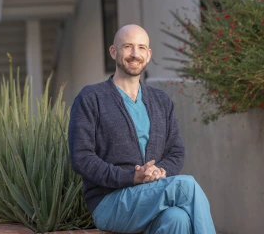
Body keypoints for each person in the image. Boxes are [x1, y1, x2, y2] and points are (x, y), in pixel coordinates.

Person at [68, 24, 216, 234]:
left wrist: (160, 172)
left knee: (177, 219)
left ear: (148, 54)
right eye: (128, 46)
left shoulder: (161, 101)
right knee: (186, 186)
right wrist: (132, 177)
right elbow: (81, 158)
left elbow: (175, 151)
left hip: (152, 196)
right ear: (113, 51)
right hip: (110, 202)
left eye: (141, 48)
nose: (135, 54)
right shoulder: (91, 98)